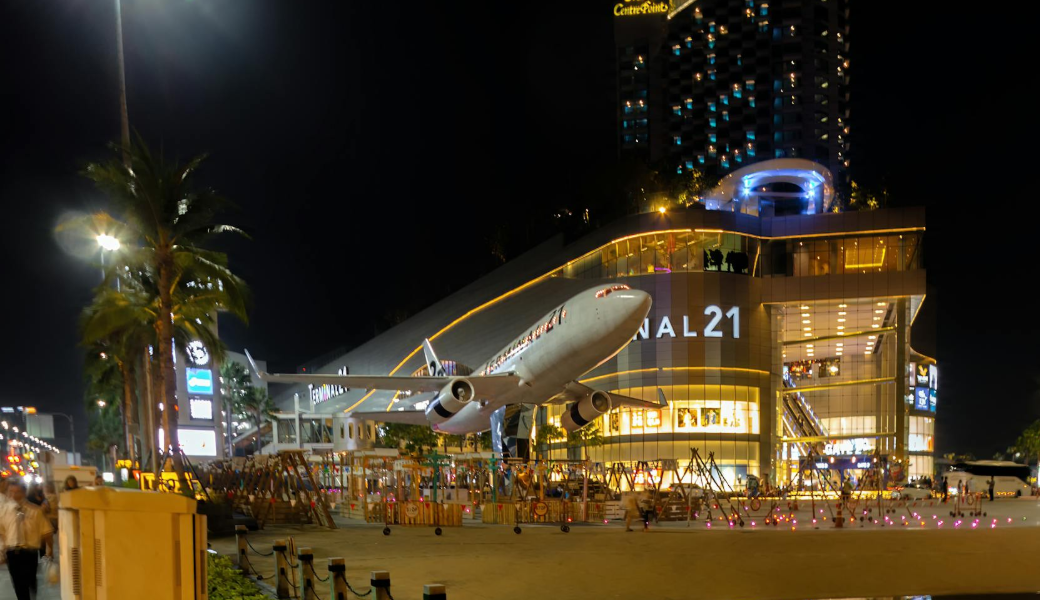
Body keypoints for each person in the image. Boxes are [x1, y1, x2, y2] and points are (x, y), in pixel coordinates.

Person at [0, 480, 54, 600]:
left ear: (24, 493)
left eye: (17, 492)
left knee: (31, 581)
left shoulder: (35, 511)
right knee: (18, 584)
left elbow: (47, 532)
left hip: (30, 552)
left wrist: (50, 550)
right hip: (12, 552)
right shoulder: (4, 511)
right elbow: (2, 533)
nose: (14, 495)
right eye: (11, 492)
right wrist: (2, 551)